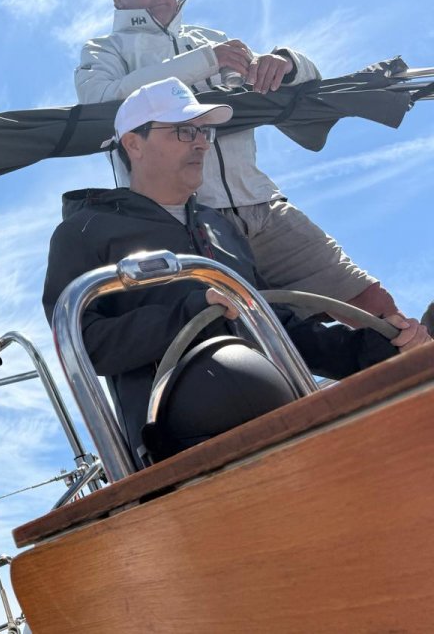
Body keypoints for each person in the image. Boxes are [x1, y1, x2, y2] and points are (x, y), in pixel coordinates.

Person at [42, 78, 429, 463]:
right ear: (133, 143)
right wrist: (190, 312)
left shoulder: (220, 227)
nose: (201, 142)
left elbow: (275, 325)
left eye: (204, 131)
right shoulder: (84, 230)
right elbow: (84, 344)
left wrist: (373, 348)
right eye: (184, 130)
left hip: (285, 423)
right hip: (179, 452)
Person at [75, 0, 403, 321]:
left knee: (375, 309)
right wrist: (203, 62)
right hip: (183, 219)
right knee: (243, 341)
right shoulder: (104, 50)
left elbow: (304, 86)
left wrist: (287, 63)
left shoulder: (212, 39)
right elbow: (99, 101)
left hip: (263, 204)